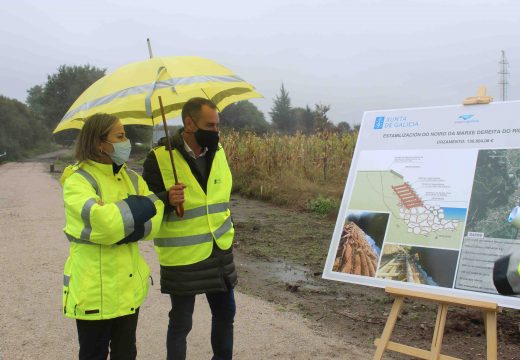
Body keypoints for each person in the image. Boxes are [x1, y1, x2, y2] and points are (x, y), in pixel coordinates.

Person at [60, 113, 164, 360]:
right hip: (94, 290)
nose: (126, 141)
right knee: (93, 354)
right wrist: (136, 211)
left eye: (124, 135)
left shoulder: (131, 177)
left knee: (126, 353)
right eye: (120, 136)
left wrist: (122, 222)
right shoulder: (78, 180)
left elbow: (156, 217)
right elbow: (104, 225)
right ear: (99, 143)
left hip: (128, 288)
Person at [142, 97, 237, 360]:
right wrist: (166, 200)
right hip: (183, 257)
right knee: (182, 323)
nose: (215, 131)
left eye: (217, 125)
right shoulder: (159, 159)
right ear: (189, 123)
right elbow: (144, 204)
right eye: (210, 125)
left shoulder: (218, 152)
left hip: (219, 251)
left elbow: (220, 197)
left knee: (226, 314)